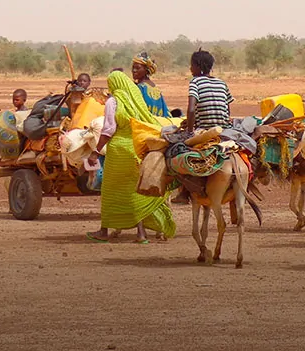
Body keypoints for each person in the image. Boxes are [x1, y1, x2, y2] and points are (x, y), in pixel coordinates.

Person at [85, 71, 176, 243]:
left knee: (110, 191)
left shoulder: (113, 102)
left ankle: (104, 231)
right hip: (135, 148)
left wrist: (96, 151)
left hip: (118, 152)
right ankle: (141, 234)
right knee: (134, 191)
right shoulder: (135, 99)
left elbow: (108, 130)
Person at [186, 49, 234, 131]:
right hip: (225, 130)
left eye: (192, 65)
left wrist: (189, 132)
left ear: (198, 66)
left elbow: (191, 110)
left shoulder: (195, 82)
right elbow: (227, 112)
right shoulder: (222, 83)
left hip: (204, 130)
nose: (190, 69)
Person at [132, 52, 170, 117]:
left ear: (146, 70)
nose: (134, 70)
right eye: (133, 67)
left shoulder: (140, 88)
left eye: (138, 68)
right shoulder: (154, 86)